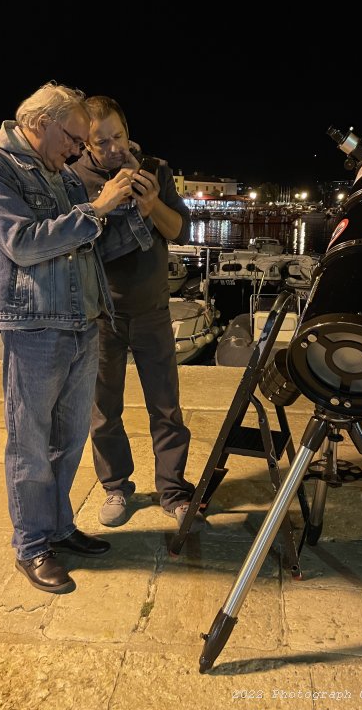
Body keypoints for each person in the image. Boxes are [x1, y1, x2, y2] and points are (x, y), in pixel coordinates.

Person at [0, 82, 133, 593]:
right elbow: (21, 244)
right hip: (36, 327)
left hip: (83, 323)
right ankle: (32, 545)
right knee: (30, 445)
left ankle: (60, 528)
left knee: (68, 440)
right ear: (40, 124)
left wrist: (130, 206)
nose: (78, 150)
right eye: (73, 138)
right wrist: (96, 209)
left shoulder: (60, 171)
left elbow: (84, 243)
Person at [69, 95, 205, 530]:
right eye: (100, 141)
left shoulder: (156, 170)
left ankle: (173, 489)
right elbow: (69, 244)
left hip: (151, 309)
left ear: (128, 132)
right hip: (100, 313)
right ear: (86, 144)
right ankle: (115, 487)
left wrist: (151, 206)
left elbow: (179, 229)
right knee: (103, 410)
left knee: (166, 407)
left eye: (118, 137)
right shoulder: (73, 179)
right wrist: (104, 205)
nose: (112, 148)